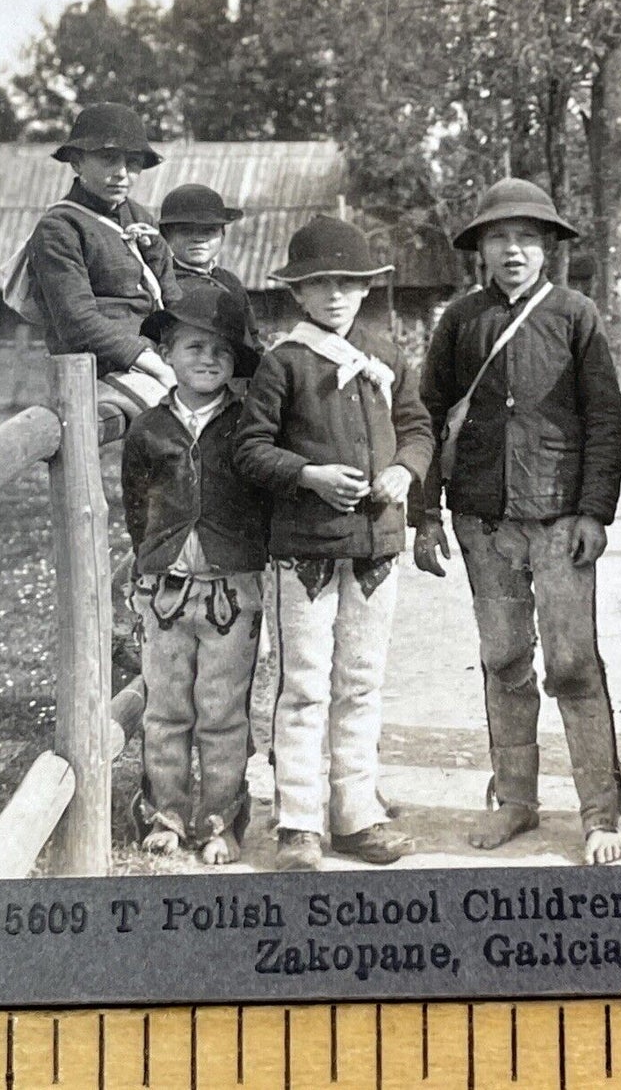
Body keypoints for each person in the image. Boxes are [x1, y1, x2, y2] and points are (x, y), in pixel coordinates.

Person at [414, 178, 621, 867]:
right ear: (480, 248)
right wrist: (425, 514)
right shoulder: (458, 320)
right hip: (483, 522)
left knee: (571, 663)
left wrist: (595, 510)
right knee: (504, 659)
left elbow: (605, 420)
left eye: (527, 237)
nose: (513, 249)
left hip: (561, 520)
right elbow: (424, 416)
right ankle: (515, 799)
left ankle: (602, 811)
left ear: (548, 248)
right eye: (499, 237)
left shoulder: (575, 315)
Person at [234, 217, 433, 870]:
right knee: (304, 685)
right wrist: (308, 474)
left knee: (361, 682)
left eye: (347, 283)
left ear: (364, 288)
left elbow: (418, 427)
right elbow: (250, 449)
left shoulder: (386, 354)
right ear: (298, 292)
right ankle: (298, 822)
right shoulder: (283, 362)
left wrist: (406, 466)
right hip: (306, 550)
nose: (335, 296)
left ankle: (354, 815)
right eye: (319, 284)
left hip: (376, 549)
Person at [120, 278, 270, 864]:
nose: (207, 359)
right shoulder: (149, 428)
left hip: (232, 591)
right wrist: (152, 562)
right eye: (193, 347)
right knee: (166, 709)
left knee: (223, 711)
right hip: (165, 592)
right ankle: (166, 816)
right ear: (168, 355)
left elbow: (262, 501)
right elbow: (137, 506)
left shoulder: (246, 425)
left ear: (234, 362)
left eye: (220, 351)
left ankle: (219, 820)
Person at [23, 103, 180, 416]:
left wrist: (156, 250)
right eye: (108, 158)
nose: (122, 173)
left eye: (133, 162)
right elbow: (77, 322)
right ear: (78, 162)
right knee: (176, 420)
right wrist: (157, 366)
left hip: (152, 357)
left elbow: (169, 294)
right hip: (96, 368)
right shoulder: (60, 227)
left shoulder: (137, 215)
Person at [156, 184, 259, 351]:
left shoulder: (230, 282)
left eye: (209, 230)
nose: (198, 239)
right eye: (186, 231)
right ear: (167, 235)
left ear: (222, 234)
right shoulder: (162, 281)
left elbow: (252, 337)